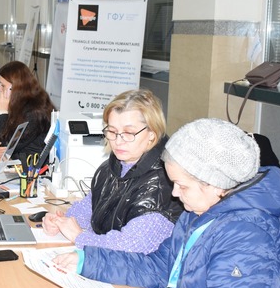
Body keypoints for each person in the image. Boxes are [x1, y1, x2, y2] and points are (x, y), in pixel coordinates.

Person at [54, 118, 280, 288]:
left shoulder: (250, 236)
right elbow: (161, 266)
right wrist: (90, 260)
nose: (175, 193)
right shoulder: (200, 211)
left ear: (216, 184)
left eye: (182, 185)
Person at [42, 89, 182, 252]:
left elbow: (131, 246)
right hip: (104, 261)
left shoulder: (163, 182)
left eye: (128, 133)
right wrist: (62, 222)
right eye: (112, 131)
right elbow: (90, 207)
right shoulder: (110, 167)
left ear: (152, 133)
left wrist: (79, 236)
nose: (118, 141)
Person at [0, 61, 55, 162]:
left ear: (15, 87)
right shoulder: (18, 103)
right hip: (16, 162)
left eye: (3, 85)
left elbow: (8, 145)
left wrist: (2, 113)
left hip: (30, 168)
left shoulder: (35, 112)